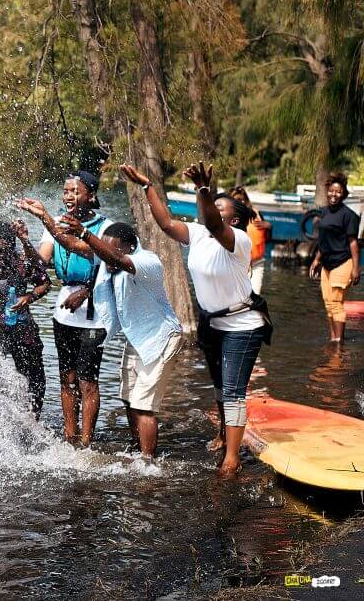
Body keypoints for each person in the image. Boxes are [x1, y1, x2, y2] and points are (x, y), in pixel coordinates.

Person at [121, 162, 271, 477]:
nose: (211, 210)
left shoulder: (238, 240)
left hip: (242, 325)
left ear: (233, 219)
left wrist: (204, 190)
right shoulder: (199, 234)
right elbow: (164, 223)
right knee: (219, 384)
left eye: (218, 207)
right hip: (211, 322)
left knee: (233, 389)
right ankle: (222, 434)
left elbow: (217, 226)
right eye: (211, 204)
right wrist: (148, 185)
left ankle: (232, 457)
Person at [61, 219, 183, 457]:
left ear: (130, 246)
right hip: (137, 338)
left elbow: (117, 260)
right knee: (128, 397)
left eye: (113, 250)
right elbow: (74, 246)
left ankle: (148, 463)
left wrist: (85, 232)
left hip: (162, 337)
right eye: (104, 251)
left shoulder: (148, 261)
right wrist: (44, 217)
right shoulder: (110, 263)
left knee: (143, 405)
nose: (107, 258)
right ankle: (137, 448)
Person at [15, 171, 113, 447]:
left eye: (75, 191)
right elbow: (41, 263)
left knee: (87, 380)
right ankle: (70, 438)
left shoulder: (105, 227)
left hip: (95, 312)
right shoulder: (55, 224)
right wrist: (24, 240)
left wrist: (88, 290)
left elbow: (90, 253)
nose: (68, 196)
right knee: (67, 378)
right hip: (64, 311)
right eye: (66, 191)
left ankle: (86, 443)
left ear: (90, 196)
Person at [0, 220, 51, 416]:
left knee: (33, 376)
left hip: (22, 327)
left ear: (11, 247)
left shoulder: (21, 264)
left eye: (2, 250)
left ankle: (33, 416)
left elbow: (45, 283)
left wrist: (29, 297)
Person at [309, 172, 361, 343]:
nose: (334, 194)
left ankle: (338, 342)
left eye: (338, 192)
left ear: (344, 194)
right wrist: (317, 260)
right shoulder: (324, 212)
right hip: (327, 264)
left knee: (336, 303)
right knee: (328, 303)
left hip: (343, 262)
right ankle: (334, 339)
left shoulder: (349, 215)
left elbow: (353, 242)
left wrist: (355, 268)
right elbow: (324, 240)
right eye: (331, 191)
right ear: (327, 191)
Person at [229, 186, 271, 294]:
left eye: (243, 199)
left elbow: (267, 239)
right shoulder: (229, 217)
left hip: (257, 263)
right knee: (239, 296)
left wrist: (269, 227)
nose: (241, 202)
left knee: (255, 295)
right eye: (237, 200)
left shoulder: (256, 214)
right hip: (239, 263)